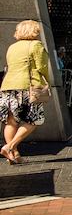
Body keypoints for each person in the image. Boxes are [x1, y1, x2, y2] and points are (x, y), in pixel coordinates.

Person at [1, 20, 50, 164]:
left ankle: (14, 155)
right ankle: (9, 147)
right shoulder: (36, 45)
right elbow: (42, 67)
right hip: (27, 87)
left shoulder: (12, 47)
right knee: (35, 119)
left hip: (7, 86)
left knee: (11, 121)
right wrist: (47, 81)